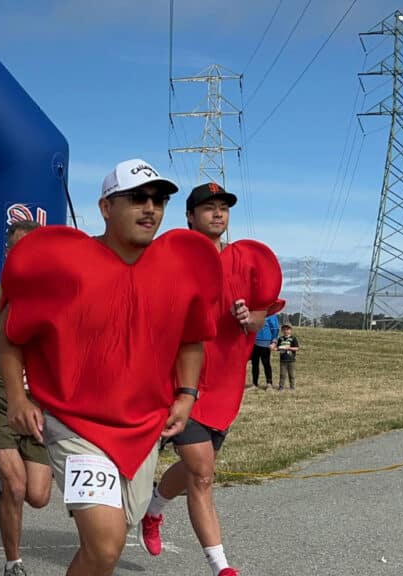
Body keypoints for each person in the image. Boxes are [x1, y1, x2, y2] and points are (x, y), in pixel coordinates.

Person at [0, 158, 223, 576]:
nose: (150, 208)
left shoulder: (176, 268)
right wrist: (16, 395)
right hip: (74, 423)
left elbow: (191, 338)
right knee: (105, 544)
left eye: (158, 200)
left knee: (113, 539)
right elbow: (11, 331)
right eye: (137, 198)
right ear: (106, 207)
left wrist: (187, 395)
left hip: (142, 428)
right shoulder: (65, 264)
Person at [141, 182, 284, 576]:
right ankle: (221, 567)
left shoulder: (245, 261)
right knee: (202, 473)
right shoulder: (171, 257)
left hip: (226, 387)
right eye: (208, 208)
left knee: (193, 472)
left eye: (223, 207)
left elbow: (262, 313)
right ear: (189, 216)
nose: (217, 214)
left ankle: (153, 509)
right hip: (181, 383)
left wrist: (249, 319)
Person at [0, 220, 50, 576]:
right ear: (7, 252)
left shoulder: (56, 297)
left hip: (39, 405)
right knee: (18, 487)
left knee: (38, 495)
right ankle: (13, 563)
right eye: (19, 248)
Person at [251, 314, 279, 390]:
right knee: (254, 364)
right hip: (254, 343)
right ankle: (254, 384)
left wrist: (274, 342)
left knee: (266, 363)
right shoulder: (255, 312)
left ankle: (269, 384)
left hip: (266, 344)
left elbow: (275, 329)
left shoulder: (271, 315)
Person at [276, 324, 300, 390]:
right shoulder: (280, 339)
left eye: (288, 329)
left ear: (290, 330)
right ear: (282, 330)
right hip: (283, 360)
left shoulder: (293, 338)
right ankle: (281, 387)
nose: (286, 331)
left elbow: (297, 348)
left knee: (291, 375)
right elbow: (278, 347)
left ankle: (292, 388)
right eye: (284, 329)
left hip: (291, 360)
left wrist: (289, 348)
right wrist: (276, 348)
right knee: (282, 375)